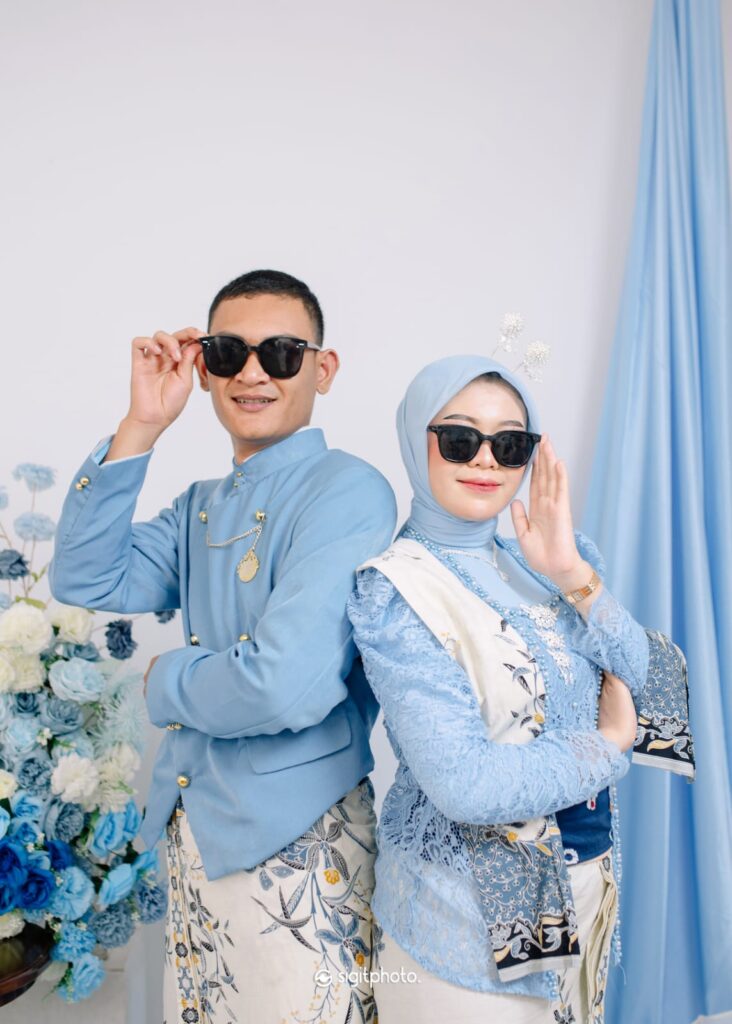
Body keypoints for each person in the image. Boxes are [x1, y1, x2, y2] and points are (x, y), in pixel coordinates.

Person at [48, 269, 397, 1024]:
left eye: (281, 352)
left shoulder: (346, 490)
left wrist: (165, 681)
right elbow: (83, 575)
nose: (252, 372)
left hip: (300, 840)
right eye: (229, 351)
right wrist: (142, 424)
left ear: (322, 369)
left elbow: (285, 685)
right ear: (203, 368)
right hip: (195, 830)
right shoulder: (200, 507)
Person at [346, 354, 692, 1024]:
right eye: (459, 438)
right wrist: (607, 747)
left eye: (509, 444)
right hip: (462, 924)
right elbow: (465, 785)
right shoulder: (397, 587)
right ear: (417, 439)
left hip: (581, 898)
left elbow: (650, 680)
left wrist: (571, 572)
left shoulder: (543, 563)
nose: (486, 460)